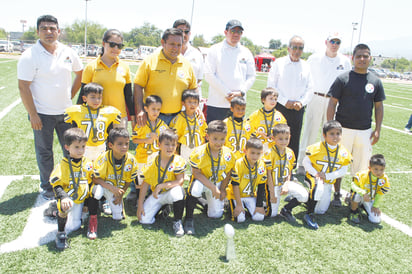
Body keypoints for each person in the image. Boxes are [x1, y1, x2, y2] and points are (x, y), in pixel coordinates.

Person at [18, 15, 83, 200]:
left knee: (70, 150)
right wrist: (33, 114)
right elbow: (23, 86)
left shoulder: (68, 52)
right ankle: (48, 186)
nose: (49, 32)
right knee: (45, 152)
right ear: (37, 32)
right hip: (42, 114)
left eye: (52, 28)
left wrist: (69, 96)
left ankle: (71, 181)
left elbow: (80, 73)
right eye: (44, 28)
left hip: (66, 114)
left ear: (59, 31)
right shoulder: (30, 56)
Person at [327, 43, 385, 206]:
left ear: (370, 58)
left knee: (360, 167)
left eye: (365, 56)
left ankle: (354, 194)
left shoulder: (375, 81)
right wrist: (330, 126)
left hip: (364, 131)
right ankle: (337, 194)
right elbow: (332, 103)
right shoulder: (343, 78)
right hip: (342, 129)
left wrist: (378, 129)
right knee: (339, 163)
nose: (362, 59)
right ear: (353, 58)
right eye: (358, 56)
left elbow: (379, 107)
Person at [297, 33, 351, 172]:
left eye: (337, 42)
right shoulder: (314, 58)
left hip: (333, 101)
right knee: (310, 130)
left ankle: (323, 163)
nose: (334, 44)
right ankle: (302, 164)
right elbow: (305, 78)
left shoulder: (344, 61)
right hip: (315, 97)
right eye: (332, 41)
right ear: (326, 42)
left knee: (329, 134)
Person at [134, 28, 197, 126]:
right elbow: (138, 85)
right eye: (172, 44)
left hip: (178, 117)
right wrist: (140, 110)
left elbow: (193, 88)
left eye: (179, 45)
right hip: (153, 117)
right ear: (163, 43)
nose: (175, 48)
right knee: (151, 141)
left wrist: (195, 109)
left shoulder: (186, 64)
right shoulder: (149, 61)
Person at [267, 35, 313, 164]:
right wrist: (284, 101)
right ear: (288, 48)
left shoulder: (306, 66)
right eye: (294, 47)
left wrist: (301, 102)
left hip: (298, 108)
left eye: (300, 48)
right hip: (280, 106)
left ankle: (290, 169)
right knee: (276, 136)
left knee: (294, 138)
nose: (297, 51)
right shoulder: (278, 63)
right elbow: (271, 85)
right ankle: (273, 165)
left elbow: (310, 88)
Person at [184, 120, 236, 235]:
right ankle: (188, 219)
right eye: (215, 138)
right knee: (194, 190)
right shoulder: (199, 152)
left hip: (217, 183)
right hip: (202, 181)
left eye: (222, 139)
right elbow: (196, 173)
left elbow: (228, 172)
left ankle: (201, 201)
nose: (219, 142)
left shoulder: (228, 153)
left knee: (215, 215)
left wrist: (222, 188)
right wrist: (213, 188)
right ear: (207, 137)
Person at [77, 29, 135, 129]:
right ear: (104, 44)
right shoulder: (91, 67)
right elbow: (83, 93)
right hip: (96, 117)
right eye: (112, 44)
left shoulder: (125, 67)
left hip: (119, 118)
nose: (116, 48)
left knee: (120, 145)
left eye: (119, 46)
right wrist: (77, 118)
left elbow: (128, 95)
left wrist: (133, 118)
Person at [49, 128, 95, 249]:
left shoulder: (88, 163)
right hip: (68, 198)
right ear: (67, 147)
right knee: (65, 207)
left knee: (74, 226)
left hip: (80, 199)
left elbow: (89, 183)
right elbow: (56, 184)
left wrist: (86, 204)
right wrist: (63, 197)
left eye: (83, 146)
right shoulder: (63, 165)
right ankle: (60, 233)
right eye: (76, 147)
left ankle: (57, 211)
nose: (81, 150)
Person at [303, 121, 352, 230]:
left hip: (328, 182)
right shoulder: (316, 148)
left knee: (320, 211)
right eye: (332, 134)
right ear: (324, 135)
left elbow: (343, 171)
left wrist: (327, 176)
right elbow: (305, 163)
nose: (335, 136)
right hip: (313, 178)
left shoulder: (343, 152)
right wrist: (316, 174)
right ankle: (307, 208)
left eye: (338, 133)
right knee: (317, 189)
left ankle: (305, 196)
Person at [137, 129, 187, 237]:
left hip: (170, 192)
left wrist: (162, 186)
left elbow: (180, 181)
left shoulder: (178, 160)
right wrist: (140, 205)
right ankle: (164, 207)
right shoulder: (152, 160)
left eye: (173, 145)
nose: (170, 148)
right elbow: (145, 184)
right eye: (167, 144)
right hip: (156, 194)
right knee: (144, 220)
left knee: (178, 191)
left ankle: (177, 221)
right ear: (159, 145)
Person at [204, 19, 256, 123]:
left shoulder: (246, 52)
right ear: (225, 32)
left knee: (236, 137)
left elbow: (251, 76)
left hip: (238, 105)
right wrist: (227, 93)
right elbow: (209, 75)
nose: (236, 34)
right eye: (233, 31)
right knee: (214, 137)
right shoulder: (215, 50)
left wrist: (241, 92)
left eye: (239, 32)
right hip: (217, 104)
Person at [64, 82, 121, 161]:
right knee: (85, 169)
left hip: (101, 146)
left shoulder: (108, 111)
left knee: (99, 170)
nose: (96, 100)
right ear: (84, 98)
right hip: (84, 147)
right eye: (93, 97)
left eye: (99, 97)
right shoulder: (76, 111)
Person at [93, 128, 139, 221]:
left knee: (118, 218)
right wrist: (111, 188)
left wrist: (121, 195)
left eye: (127, 143)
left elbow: (128, 181)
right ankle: (93, 212)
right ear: (110, 145)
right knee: (97, 193)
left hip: (116, 189)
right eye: (120, 144)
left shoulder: (131, 160)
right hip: (103, 186)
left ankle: (112, 204)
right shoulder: (104, 158)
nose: (124, 147)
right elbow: (94, 179)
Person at [264, 124, 308, 219]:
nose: (284, 142)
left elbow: (289, 171)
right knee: (271, 214)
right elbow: (268, 175)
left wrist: (286, 184)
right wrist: (272, 193)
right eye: (280, 139)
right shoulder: (269, 153)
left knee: (304, 196)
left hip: (284, 183)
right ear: (273, 138)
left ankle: (286, 209)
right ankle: (263, 200)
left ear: (290, 137)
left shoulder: (290, 152)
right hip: (272, 185)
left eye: (286, 138)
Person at [130, 95, 168, 201]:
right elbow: (134, 139)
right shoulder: (141, 124)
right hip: (142, 157)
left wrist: (159, 138)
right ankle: (139, 200)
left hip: (156, 159)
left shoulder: (162, 125)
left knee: (154, 179)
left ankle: (152, 199)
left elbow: (168, 140)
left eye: (158, 109)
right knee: (140, 181)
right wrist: (146, 141)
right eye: (153, 109)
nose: (155, 112)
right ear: (146, 109)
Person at [227, 137, 267, 222]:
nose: (255, 156)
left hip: (250, 195)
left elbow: (261, 185)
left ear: (262, 153)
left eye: (258, 153)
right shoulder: (239, 163)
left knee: (259, 217)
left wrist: (259, 205)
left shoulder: (261, 164)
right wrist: (238, 204)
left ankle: (247, 207)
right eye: (252, 153)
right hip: (236, 196)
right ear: (245, 151)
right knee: (239, 219)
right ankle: (228, 204)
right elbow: (235, 184)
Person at [348, 154, 390, 224]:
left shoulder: (384, 179)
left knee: (376, 220)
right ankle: (353, 211)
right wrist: (363, 193)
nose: (379, 172)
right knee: (356, 194)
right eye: (376, 169)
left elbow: (380, 194)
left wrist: (375, 206)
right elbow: (353, 185)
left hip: (370, 199)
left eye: (381, 170)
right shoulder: (362, 175)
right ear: (369, 168)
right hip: (361, 196)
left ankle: (363, 206)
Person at [169, 89, 207, 162]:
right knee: (185, 166)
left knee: (198, 166)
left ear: (198, 104)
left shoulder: (199, 117)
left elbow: (204, 132)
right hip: (186, 147)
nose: (192, 105)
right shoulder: (180, 118)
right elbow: (175, 135)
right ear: (183, 103)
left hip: (199, 146)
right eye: (189, 102)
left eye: (195, 102)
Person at [248, 87, 287, 153]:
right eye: (271, 99)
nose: (273, 101)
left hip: (274, 149)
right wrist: (258, 133)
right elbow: (247, 129)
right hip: (257, 148)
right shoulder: (255, 115)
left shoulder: (279, 116)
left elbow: (285, 131)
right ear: (263, 100)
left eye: (275, 99)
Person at [172, 19, 204, 86]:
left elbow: (199, 79)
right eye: (180, 31)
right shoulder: (163, 52)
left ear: (189, 33)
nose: (183, 34)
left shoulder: (197, 54)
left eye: (186, 32)